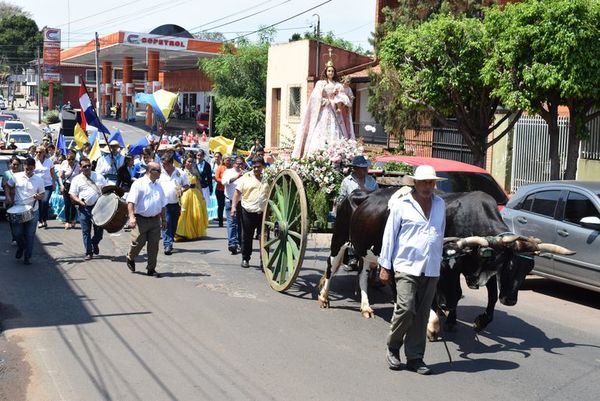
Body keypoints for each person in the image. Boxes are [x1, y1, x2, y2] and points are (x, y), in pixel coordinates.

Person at [378, 165, 446, 375]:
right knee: (406, 308)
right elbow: (389, 235)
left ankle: (415, 357)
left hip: (431, 267)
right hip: (406, 265)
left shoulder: (440, 204)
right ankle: (393, 346)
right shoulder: (402, 205)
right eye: (424, 182)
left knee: (422, 314)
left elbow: (440, 234)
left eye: (431, 182)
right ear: (415, 183)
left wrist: (439, 259)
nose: (428, 186)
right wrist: (384, 266)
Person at [292, 59, 355, 158]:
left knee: (336, 130)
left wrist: (340, 100)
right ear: (326, 72)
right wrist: (324, 101)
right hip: (324, 109)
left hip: (335, 110)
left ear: (334, 73)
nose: (331, 73)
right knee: (320, 130)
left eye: (332, 71)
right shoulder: (321, 83)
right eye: (329, 71)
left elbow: (344, 97)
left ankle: (337, 153)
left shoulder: (338, 85)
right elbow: (315, 97)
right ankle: (317, 154)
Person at [125, 162, 166, 277]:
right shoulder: (139, 184)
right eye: (158, 171)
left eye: (160, 171)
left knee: (154, 245)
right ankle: (130, 257)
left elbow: (162, 205)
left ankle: (151, 269)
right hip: (140, 219)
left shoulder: (159, 186)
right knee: (138, 242)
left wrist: (164, 220)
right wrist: (131, 217)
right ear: (150, 171)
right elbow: (131, 202)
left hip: (154, 220)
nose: (160, 173)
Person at [5, 158, 45, 265]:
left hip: (33, 210)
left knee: (30, 235)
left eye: (31, 169)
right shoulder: (16, 176)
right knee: (17, 234)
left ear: (34, 168)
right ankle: (21, 246)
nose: (28, 171)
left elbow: (42, 195)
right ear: (24, 167)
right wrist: (8, 196)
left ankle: (27, 257)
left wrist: (38, 196)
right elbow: (7, 186)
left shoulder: (39, 180)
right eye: (27, 169)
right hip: (18, 209)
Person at [231, 156, 269, 268]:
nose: (256, 169)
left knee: (264, 237)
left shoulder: (268, 177)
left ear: (263, 166)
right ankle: (245, 258)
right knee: (247, 236)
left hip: (263, 212)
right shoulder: (246, 177)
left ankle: (264, 261)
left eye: (259, 167)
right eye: (254, 167)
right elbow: (237, 193)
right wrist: (233, 207)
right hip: (248, 210)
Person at [69, 157, 108, 260]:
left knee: (99, 232)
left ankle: (94, 242)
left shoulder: (99, 176)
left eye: (88, 165)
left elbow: (106, 190)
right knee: (86, 231)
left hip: (99, 208)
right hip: (84, 208)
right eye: (84, 166)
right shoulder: (77, 179)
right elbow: (72, 194)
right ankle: (88, 252)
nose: (87, 168)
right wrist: (79, 202)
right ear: (80, 168)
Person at [158, 151, 189, 255]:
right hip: (164, 204)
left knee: (174, 224)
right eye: (163, 163)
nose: (163, 165)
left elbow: (187, 185)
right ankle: (167, 244)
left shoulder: (180, 173)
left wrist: (182, 190)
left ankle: (169, 240)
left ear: (171, 163)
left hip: (176, 202)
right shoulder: (160, 173)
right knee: (166, 223)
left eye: (165, 163)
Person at [175, 154, 208, 241]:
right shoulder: (181, 172)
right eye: (188, 161)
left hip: (195, 194)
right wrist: (179, 192)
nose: (190, 163)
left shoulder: (195, 171)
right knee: (184, 214)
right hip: (185, 193)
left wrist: (202, 195)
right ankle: (181, 233)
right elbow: (178, 184)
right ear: (185, 162)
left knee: (195, 214)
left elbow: (198, 184)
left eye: (192, 162)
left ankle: (193, 232)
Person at [222, 156, 244, 254]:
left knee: (240, 223)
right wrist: (237, 176)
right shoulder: (228, 172)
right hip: (230, 201)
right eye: (238, 163)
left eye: (241, 164)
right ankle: (232, 243)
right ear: (234, 164)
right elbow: (224, 182)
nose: (239, 165)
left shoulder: (246, 173)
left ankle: (239, 242)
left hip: (242, 202)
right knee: (231, 223)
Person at [33, 146, 55, 228]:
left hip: (47, 185)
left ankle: (44, 219)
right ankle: (40, 220)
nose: (38, 153)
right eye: (37, 152)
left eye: (40, 152)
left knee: (45, 202)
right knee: (39, 203)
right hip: (37, 186)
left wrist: (53, 184)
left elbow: (53, 174)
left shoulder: (49, 161)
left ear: (44, 153)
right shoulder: (34, 161)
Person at [58, 149, 80, 229]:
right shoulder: (64, 164)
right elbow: (60, 177)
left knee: (74, 204)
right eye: (69, 159)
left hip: (75, 186)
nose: (70, 161)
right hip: (66, 185)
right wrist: (61, 185)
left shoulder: (78, 165)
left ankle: (73, 220)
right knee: (67, 204)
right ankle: (67, 221)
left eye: (72, 159)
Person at [2, 156, 22, 245]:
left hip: (20, 199)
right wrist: (8, 197)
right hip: (10, 199)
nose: (15, 166)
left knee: (20, 220)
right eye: (14, 164)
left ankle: (20, 236)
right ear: (10, 164)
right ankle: (14, 237)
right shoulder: (6, 174)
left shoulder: (22, 174)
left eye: (17, 165)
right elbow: (5, 186)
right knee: (12, 220)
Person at [213, 152, 227, 227]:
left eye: (229, 160)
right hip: (220, 189)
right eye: (227, 160)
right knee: (221, 205)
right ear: (223, 160)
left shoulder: (231, 168)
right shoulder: (220, 168)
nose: (228, 161)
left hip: (229, 190)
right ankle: (220, 221)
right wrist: (224, 181)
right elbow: (216, 178)